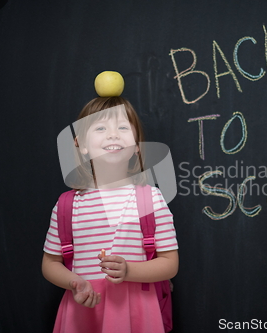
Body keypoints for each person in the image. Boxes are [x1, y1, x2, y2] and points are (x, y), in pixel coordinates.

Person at [42, 96, 179, 333]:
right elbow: (50, 263)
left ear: (137, 145)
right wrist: (75, 283)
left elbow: (170, 264)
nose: (113, 134)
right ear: (81, 145)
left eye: (123, 127)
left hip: (136, 312)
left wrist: (129, 271)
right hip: (83, 312)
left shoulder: (151, 199)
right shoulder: (67, 205)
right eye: (101, 127)